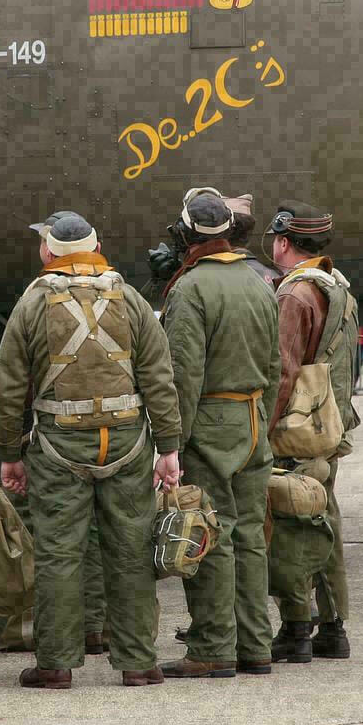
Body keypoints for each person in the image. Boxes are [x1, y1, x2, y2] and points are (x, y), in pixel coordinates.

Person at [0, 211, 182, 689]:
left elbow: (7, 388)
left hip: (58, 445)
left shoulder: (32, 303)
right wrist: (169, 447)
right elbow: (159, 378)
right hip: (127, 442)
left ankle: (55, 664)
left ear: (49, 252)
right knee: (132, 549)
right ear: (96, 247)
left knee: (58, 553)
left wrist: (9, 453)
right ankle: (138, 662)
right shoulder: (130, 298)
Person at [160, 189, 281, 678]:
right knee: (250, 535)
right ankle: (255, 644)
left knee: (209, 530)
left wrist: (171, 442)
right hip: (252, 420)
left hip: (209, 422)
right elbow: (274, 366)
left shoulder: (191, 288)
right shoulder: (259, 281)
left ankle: (213, 646)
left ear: (186, 234)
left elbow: (183, 375)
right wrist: (261, 419)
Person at [264, 202, 361, 664]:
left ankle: (296, 627)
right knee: (326, 522)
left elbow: (283, 370)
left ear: (284, 242)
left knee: (292, 526)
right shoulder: (337, 286)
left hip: (297, 431)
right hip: (329, 425)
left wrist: (263, 427)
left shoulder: (295, 295)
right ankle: (333, 627)